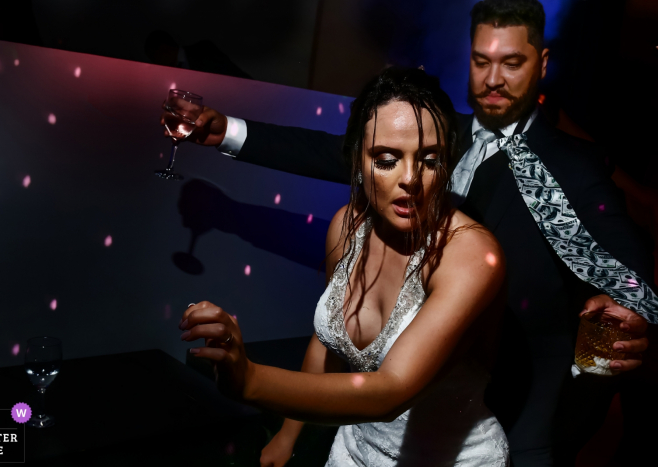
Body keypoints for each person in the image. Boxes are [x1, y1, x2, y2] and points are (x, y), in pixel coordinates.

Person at [164, 1, 656, 464]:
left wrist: (631, 312)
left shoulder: (574, 164)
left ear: (542, 63)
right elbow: (331, 150)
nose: (493, 79)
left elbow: (628, 264)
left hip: (513, 399)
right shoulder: (432, 132)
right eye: (481, 61)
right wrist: (227, 130)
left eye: (511, 63)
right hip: (371, 427)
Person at [179, 66, 510, 466]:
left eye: (429, 160)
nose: (411, 179)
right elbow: (326, 340)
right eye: (387, 159)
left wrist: (250, 380)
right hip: (352, 451)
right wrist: (288, 434)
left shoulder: (471, 254)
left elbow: (390, 392)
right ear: (357, 158)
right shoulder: (345, 227)